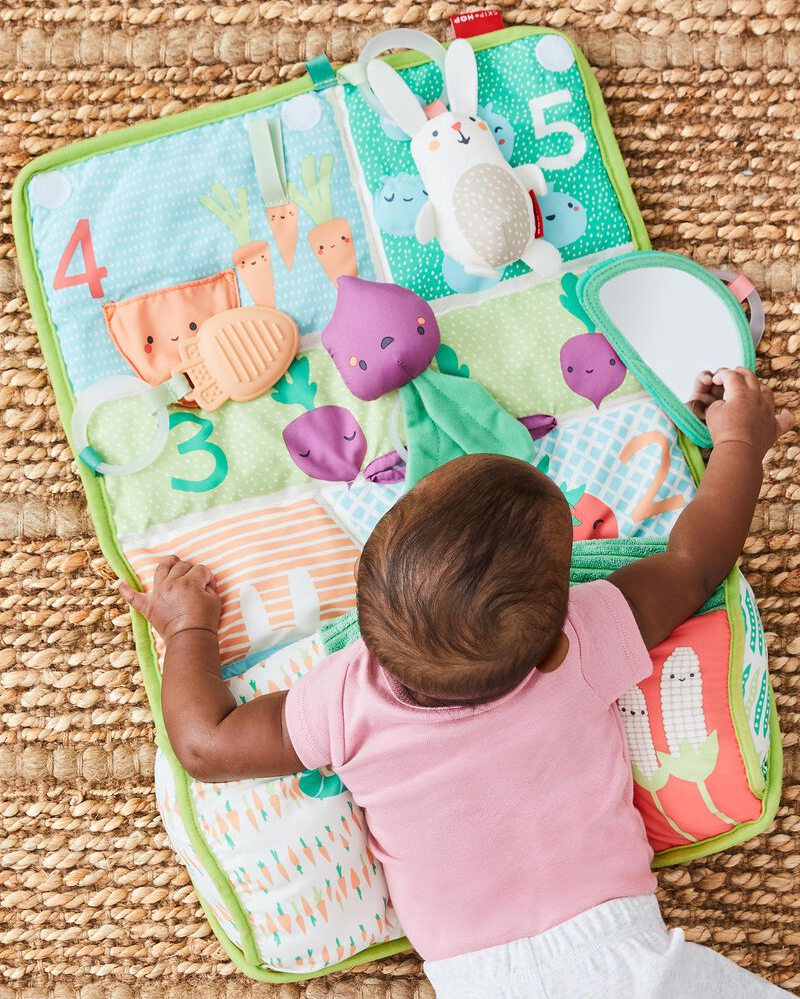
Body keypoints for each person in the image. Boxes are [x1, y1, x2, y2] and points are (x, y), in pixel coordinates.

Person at [120, 368, 794, 998]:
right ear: (558, 624)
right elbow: (694, 562)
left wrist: (188, 629)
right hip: (625, 964)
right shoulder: (577, 645)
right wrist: (740, 443)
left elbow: (205, 747)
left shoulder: (349, 695)